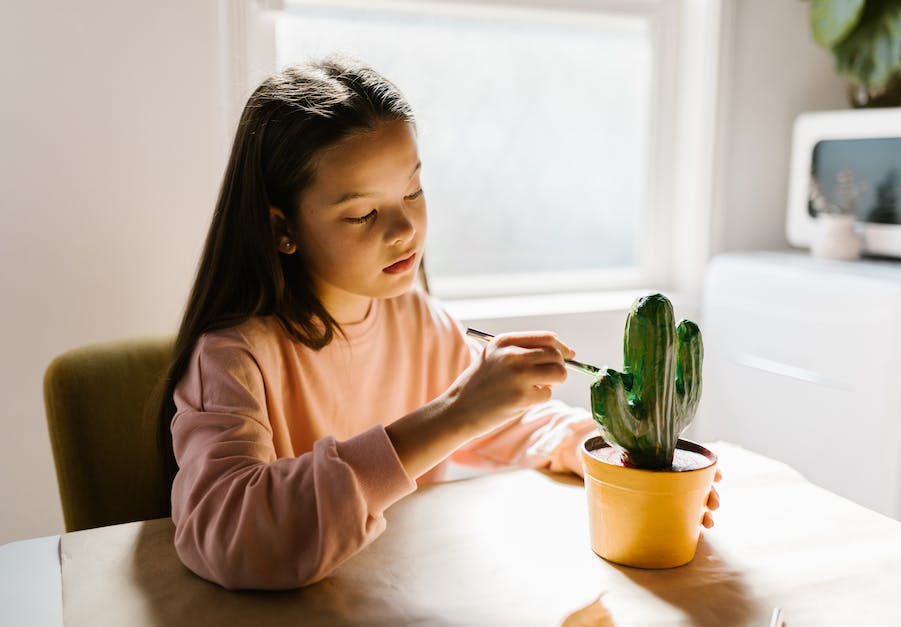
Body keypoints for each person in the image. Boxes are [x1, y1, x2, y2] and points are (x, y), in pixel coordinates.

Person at [156, 56, 719, 591]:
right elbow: (231, 531)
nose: (404, 228)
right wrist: (455, 412)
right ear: (282, 227)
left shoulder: (416, 319)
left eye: (413, 191)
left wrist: (611, 452)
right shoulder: (231, 359)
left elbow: (511, 425)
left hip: (403, 593)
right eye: (362, 213)